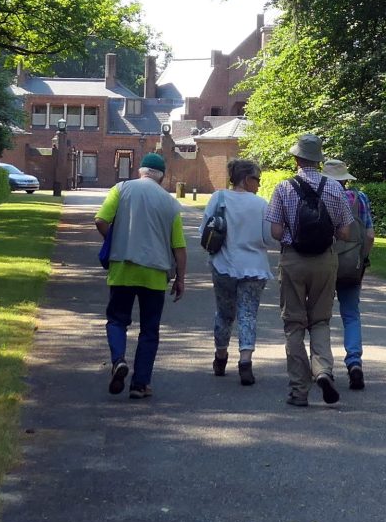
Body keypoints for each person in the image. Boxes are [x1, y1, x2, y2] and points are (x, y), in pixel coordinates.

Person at [268, 133, 355, 407]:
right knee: (320, 321)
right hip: (325, 261)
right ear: (318, 160)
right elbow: (345, 231)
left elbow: (275, 230)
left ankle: (298, 390)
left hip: (293, 259)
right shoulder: (334, 188)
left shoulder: (283, 188)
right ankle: (323, 371)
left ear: (296, 158)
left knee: (294, 325)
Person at [97, 153, 187, 400]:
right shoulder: (170, 203)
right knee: (149, 330)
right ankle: (140, 384)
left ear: (140, 171)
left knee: (117, 320)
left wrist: (115, 242)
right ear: (162, 176)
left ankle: (118, 361)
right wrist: (180, 278)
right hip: (155, 274)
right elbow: (178, 247)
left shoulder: (121, 189)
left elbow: (101, 220)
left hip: (123, 268)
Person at [204, 157, 272, 386]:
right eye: (257, 179)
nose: (259, 184)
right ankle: (245, 360)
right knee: (248, 314)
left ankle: (221, 356)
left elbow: (206, 230)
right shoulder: (261, 204)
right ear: (246, 179)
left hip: (224, 264)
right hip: (254, 267)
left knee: (224, 313)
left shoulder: (219, 198)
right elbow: (268, 238)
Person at [324, 158, 375, 391]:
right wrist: (362, 259)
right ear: (345, 180)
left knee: (320, 317)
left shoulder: (321, 197)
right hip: (351, 264)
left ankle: (323, 367)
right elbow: (370, 235)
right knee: (351, 315)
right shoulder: (359, 198)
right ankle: (354, 362)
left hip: (324, 262)